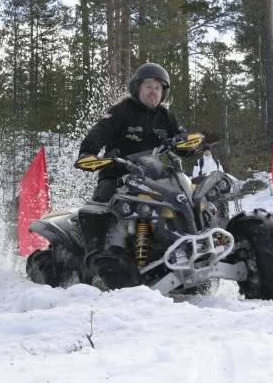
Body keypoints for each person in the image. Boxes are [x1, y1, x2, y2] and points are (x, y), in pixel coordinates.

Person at [75, 62, 188, 289]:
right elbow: (97, 134)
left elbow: (182, 141)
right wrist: (88, 153)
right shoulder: (120, 111)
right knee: (98, 208)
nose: (153, 91)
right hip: (117, 176)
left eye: (158, 87)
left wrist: (188, 143)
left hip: (153, 180)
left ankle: (185, 249)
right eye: (148, 86)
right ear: (137, 88)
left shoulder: (166, 117)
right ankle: (94, 258)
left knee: (184, 200)